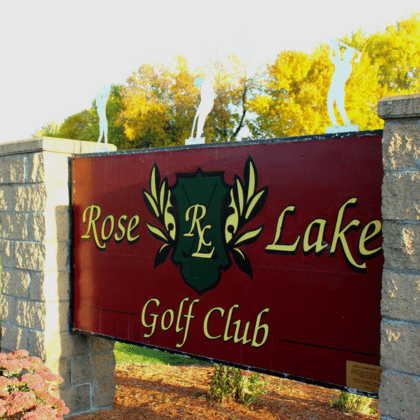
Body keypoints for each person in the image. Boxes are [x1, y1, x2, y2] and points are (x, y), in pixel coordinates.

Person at [327, 39, 361, 127]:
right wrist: (334, 47)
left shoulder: (344, 65)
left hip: (335, 87)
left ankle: (336, 124)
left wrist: (335, 46)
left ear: (347, 56)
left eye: (345, 53)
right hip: (340, 88)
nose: (343, 54)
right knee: (339, 106)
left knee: (330, 104)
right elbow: (332, 57)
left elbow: (335, 56)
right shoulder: (348, 65)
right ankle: (346, 121)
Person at [96, 84, 111, 148]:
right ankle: (100, 145)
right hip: (103, 120)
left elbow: (105, 96)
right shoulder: (101, 105)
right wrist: (104, 89)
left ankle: (101, 145)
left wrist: (103, 90)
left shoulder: (99, 106)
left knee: (103, 135)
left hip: (103, 120)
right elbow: (106, 96)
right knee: (103, 134)